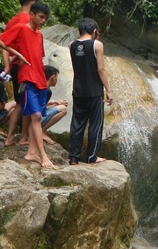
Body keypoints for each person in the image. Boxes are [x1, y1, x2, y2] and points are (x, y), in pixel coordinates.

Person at [0, 2, 54, 168]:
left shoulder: (39, 35)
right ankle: (43, 156)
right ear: (32, 14)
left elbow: (38, 56)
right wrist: (17, 53)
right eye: (41, 17)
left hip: (40, 79)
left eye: (45, 19)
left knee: (38, 116)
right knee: (35, 116)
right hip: (27, 79)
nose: (43, 21)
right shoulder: (21, 28)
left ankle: (31, 153)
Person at [69, 18, 113, 165]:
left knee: (77, 123)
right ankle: (92, 156)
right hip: (94, 91)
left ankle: (73, 157)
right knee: (95, 124)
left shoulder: (72, 45)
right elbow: (100, 69)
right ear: (94, 31)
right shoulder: (97, 44)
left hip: (78, 90)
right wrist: (108, 90)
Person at [1, 0, 40, 147]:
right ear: (32, 3)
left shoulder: (13, 20)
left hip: (15, 67)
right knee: (25, 103)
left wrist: (7, 65)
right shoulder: (27, 20)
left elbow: (4, 44)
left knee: (19, 102)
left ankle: (11, 137)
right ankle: (22, 137)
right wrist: (19, 58)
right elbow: (30, 47)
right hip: (24, 68)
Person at [41, 65, 68, 143]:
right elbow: (40, 110)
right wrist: (57, 105)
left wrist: (54, 104)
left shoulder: (39, 87)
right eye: (56, 77)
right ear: (53, 77)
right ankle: (41, 131)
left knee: (59, 106)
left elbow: (39, 106)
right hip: (35, 120)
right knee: (63, 109)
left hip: (28, 118)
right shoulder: (47, 91)